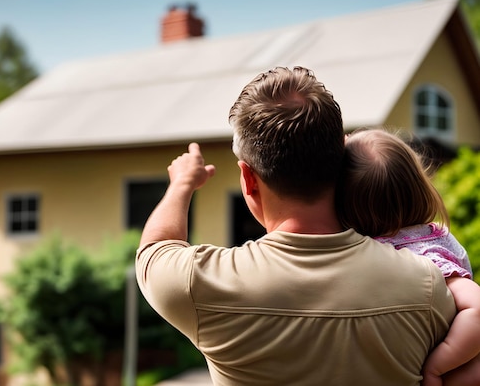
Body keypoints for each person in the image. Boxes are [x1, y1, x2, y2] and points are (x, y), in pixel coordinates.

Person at [135, 66, 456, 385]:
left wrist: (181, 185)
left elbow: (155, 249)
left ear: (248, 178)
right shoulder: (426, 284)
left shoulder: (203, 283)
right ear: (341, 159)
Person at [336, 128, 480, 386]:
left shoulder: (423, 253)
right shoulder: (429, 236)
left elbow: (477, 307)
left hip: (455, 365)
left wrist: (439, 365)